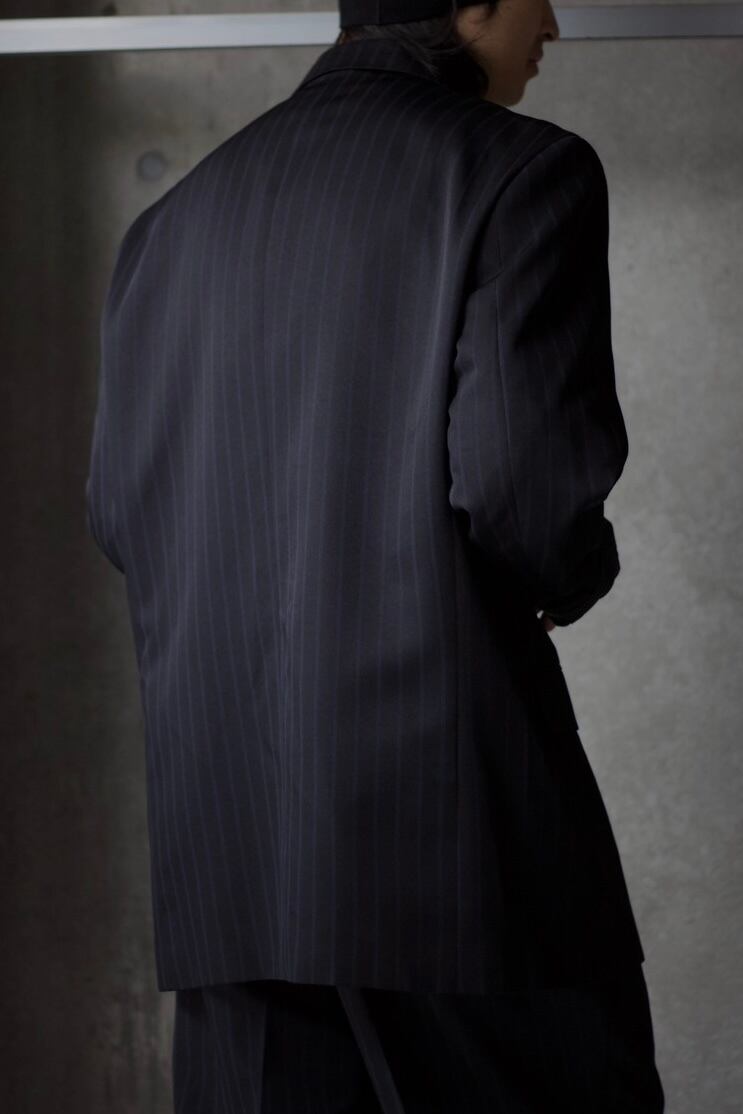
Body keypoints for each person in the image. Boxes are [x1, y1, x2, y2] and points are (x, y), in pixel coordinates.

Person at [85, 0, 666, 1109]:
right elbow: (520, 485)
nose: (552, 18)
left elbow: (119, 509)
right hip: (449, 840)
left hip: (231, 856)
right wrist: (568, 571)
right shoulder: (519, 171)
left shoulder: (169, 223)